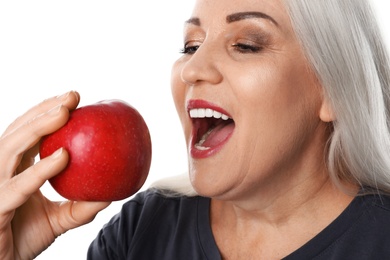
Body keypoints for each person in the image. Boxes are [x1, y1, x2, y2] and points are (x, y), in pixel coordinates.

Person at [1, 0, 390, 259]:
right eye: (191, 46)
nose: (191, 70)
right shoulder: (142, 230)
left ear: (334, 90)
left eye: (246, 45)